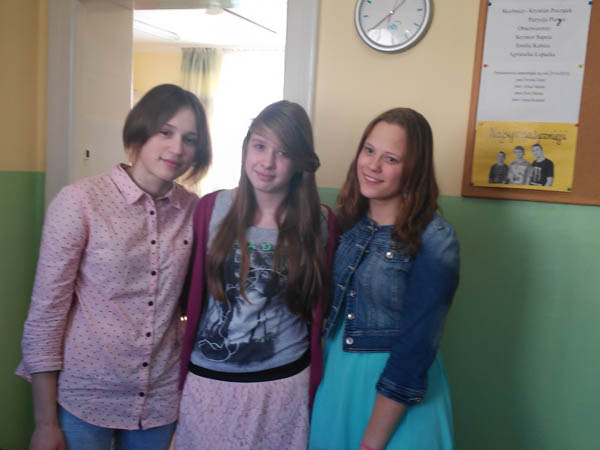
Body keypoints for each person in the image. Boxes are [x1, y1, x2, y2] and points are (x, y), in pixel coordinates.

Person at [17, 84, 212, 450]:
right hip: (84, 398)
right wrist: (44, 423)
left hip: (158, 400)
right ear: (141, 129)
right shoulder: (80, 201)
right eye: (165, 132)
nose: (177, 148)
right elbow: (46, 314)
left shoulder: (194, 210)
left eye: (190, 139)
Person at [174, 100, 338, 450]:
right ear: (246, 146)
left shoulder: (321, 222)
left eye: (283, 152)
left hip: (284, 387)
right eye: (260, 146)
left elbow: (323, 304)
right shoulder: (211, 208)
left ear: (300, 162)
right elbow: (187, 293)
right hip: (209, 385)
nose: (267, 162)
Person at [309, 108, 460, 450]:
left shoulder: (436, 238)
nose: (373, 165)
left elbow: (417, 347)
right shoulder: (344, 224)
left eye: (391, 158)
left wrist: (372, 443)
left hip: (398, 396)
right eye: (369, 150)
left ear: (414, 169)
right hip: (337, 384)